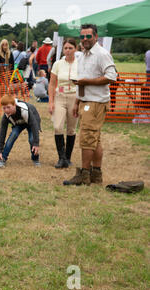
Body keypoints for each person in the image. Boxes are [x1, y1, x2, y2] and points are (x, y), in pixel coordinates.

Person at [63, 24, 117, 186]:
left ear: (96, 36)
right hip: (86, 101)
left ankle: (84, 175)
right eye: (82, 37)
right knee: (95, 139)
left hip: (95, 103)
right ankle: (96, 174)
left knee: (87, 139)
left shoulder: (102, 54)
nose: (85, 40)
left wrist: (87, 82)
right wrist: (77, 101)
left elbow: (111, 76)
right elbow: (82, 80)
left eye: (88, 36)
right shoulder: (84, 55)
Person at [48, 38, 79, 169]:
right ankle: (61, 158)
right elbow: (52, 83)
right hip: (60, 96)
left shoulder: (80, 63)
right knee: (57, 126)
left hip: (74, 96)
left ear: (75, 49)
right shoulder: (58, 64)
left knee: (71, 129)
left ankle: (68, 157)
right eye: (65, 48)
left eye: (70, 48)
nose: (67, 50)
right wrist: (51, 101)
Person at [0, 94, 41, 168]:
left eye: (8, 107)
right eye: (4, 108)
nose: (6, 110)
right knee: (13, 135)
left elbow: (34, 125)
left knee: (32, 139)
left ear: (15, 105)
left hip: (31, 121)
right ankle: (2, 158)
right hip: (19, 123)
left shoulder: (25, 110)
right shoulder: (6, 116)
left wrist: (36, 143)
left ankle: (35, 159)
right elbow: (2, 133)